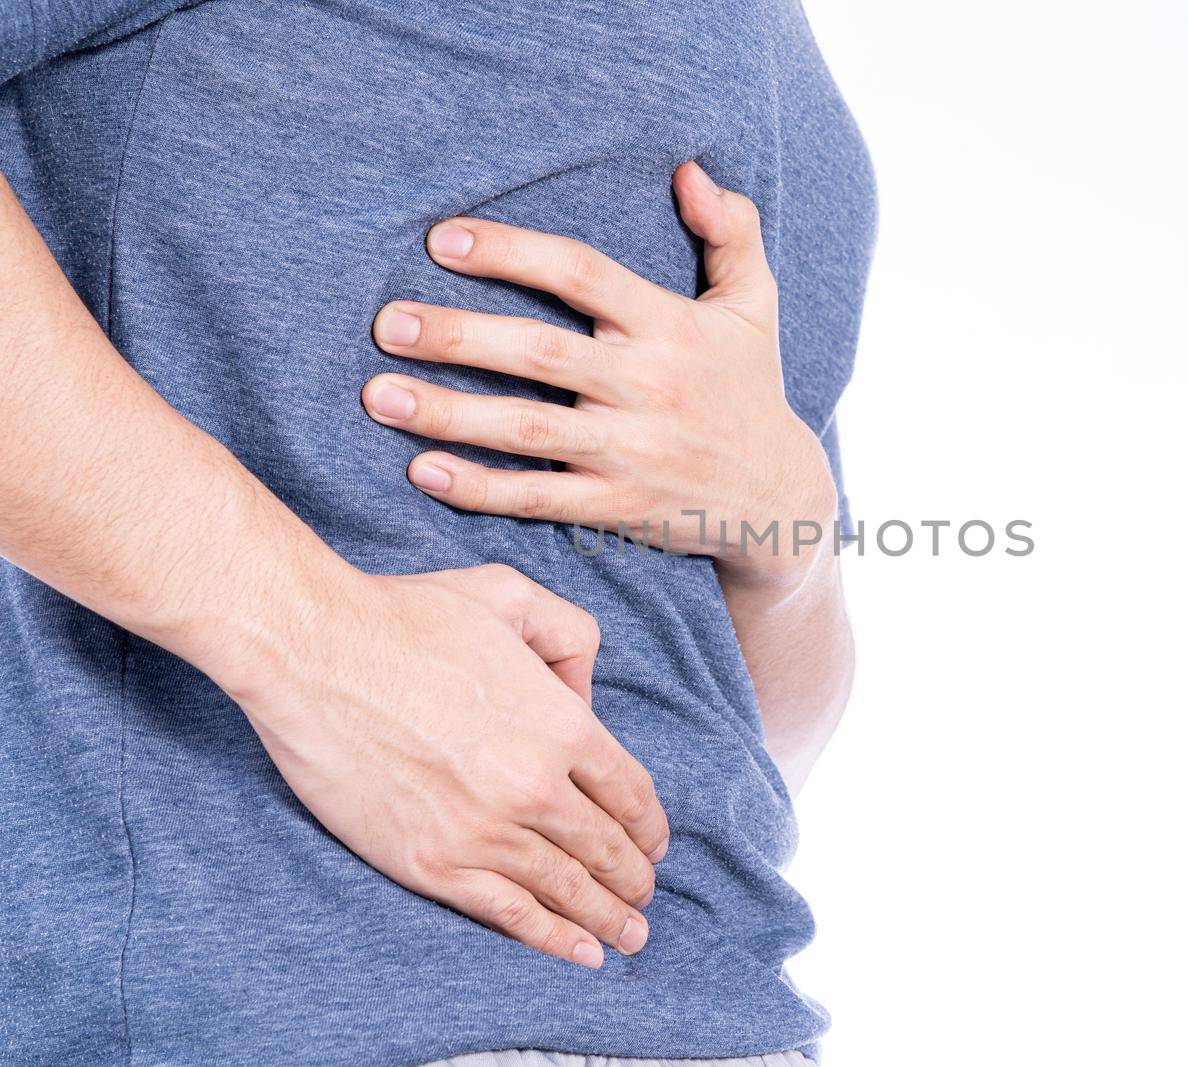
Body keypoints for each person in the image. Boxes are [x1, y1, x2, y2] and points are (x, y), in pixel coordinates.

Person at [0, 2, 874, 1064]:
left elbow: (746, 737)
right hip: (266, 1005)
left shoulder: (783, 66)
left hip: (723, 1012)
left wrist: (788, 540)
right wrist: (314, 642)